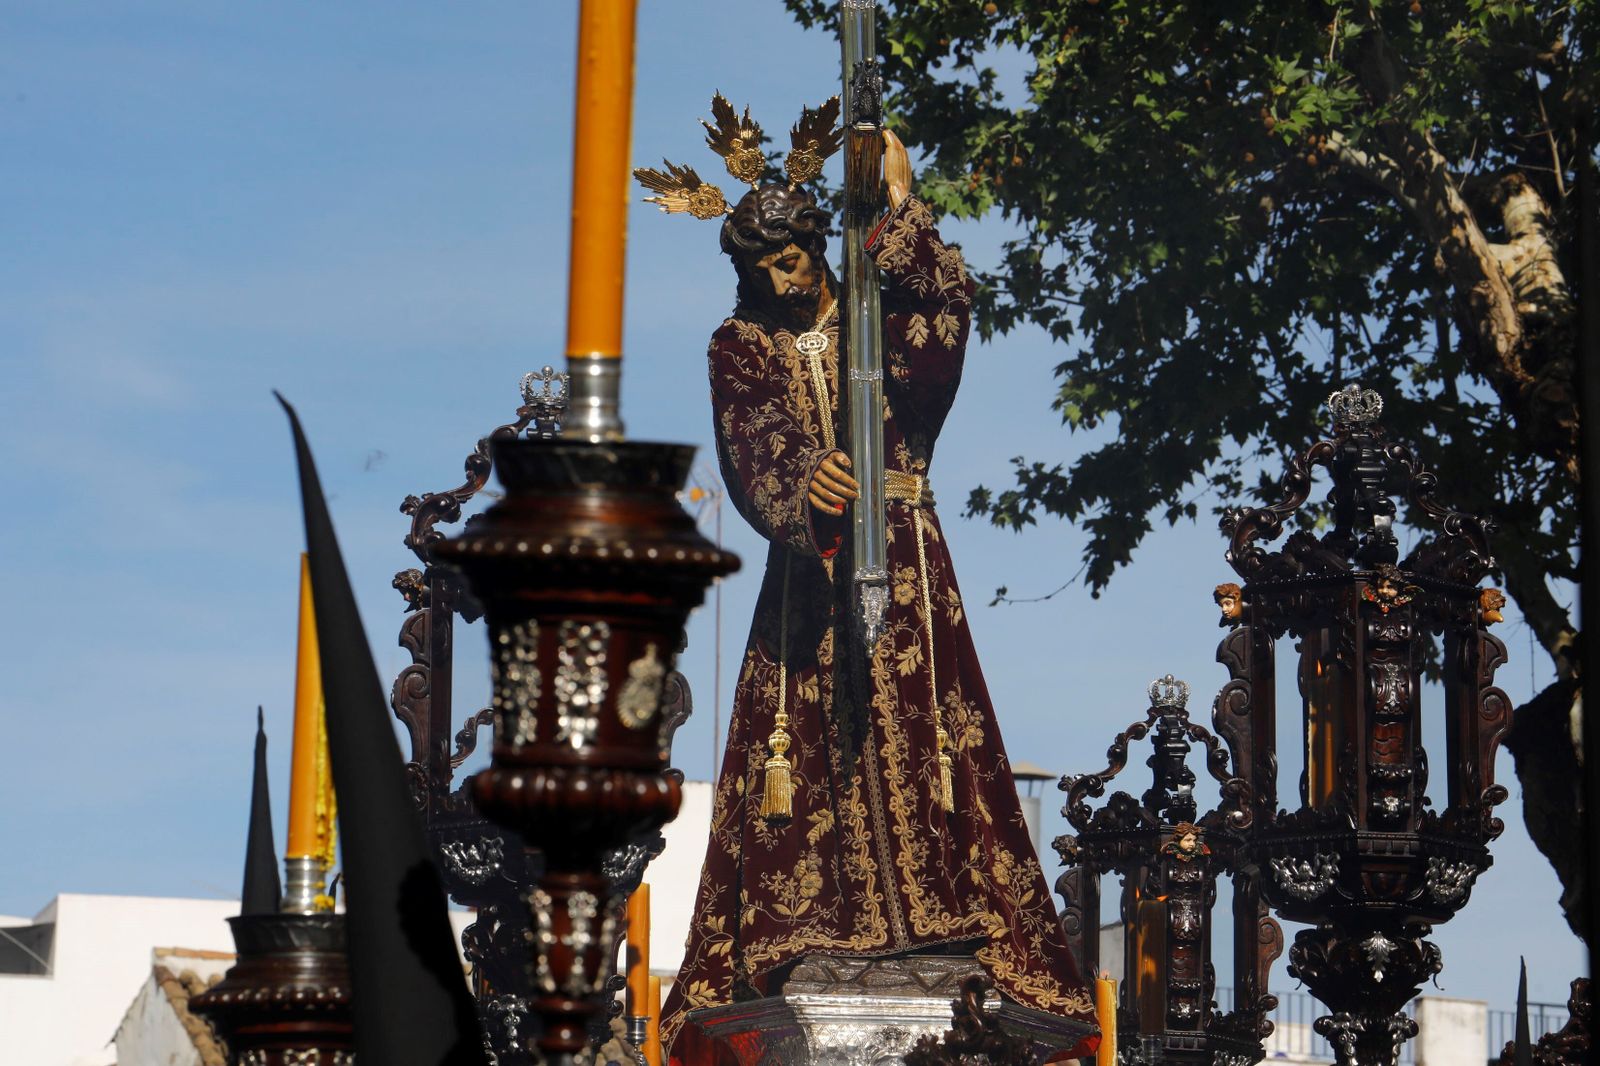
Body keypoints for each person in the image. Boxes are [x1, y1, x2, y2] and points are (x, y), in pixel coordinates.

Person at [636, 97, 1097, 1062]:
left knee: (926, 727)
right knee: (813, 739)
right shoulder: (740, 345)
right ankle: (825, 928)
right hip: (812, 581)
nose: (785, 275)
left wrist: (900, 201)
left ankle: (937, 921)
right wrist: (809, 485)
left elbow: (947, 315)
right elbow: (752, 446)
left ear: (817, 243)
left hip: (910, 558)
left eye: (797, 255)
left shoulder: (876, 318)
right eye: (765, 265)